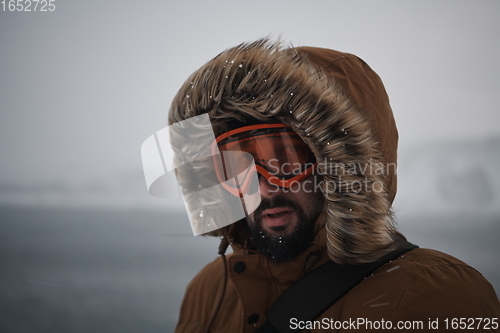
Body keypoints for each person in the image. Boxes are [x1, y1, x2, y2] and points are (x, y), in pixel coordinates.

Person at [166, 39, 500, 332]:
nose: (264, 189)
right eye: (237, 168)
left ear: (338, 169)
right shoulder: (211, 288)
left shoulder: (436, 294)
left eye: (287, 163)